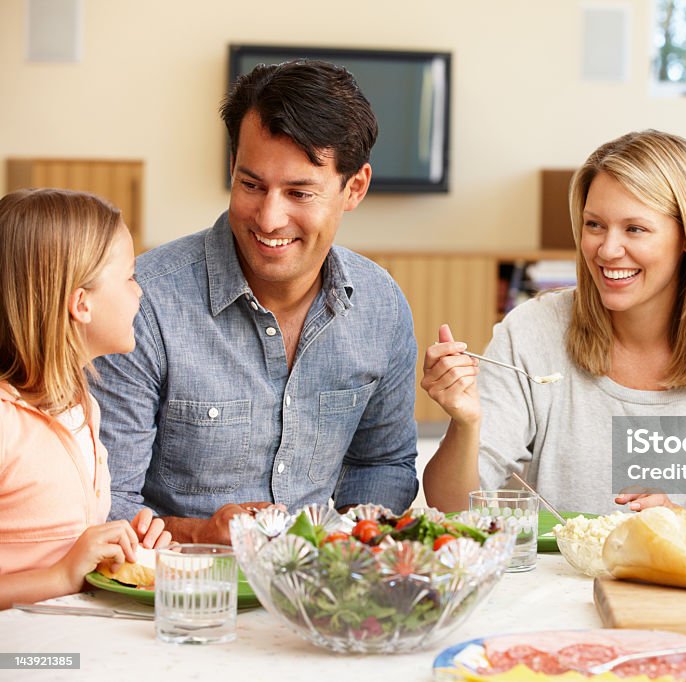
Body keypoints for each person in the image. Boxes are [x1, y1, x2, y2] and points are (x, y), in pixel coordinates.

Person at [92, 60, 419, 545]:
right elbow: (105, 501)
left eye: (299, 192)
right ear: (232, 168)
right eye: (251, 185)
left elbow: (384, 461)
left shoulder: (380, 304)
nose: (268, 218)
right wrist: (201, 532)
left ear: (355, 187)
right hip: (173, 591)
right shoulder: (146, 303)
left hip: (314, 588)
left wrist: (351, 538)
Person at [421, 130, 686, 519]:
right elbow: (450, 507)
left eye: (635, 229)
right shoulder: (531, 330)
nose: (607, 250)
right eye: (595, 225)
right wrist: (466, 424)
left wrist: (679, 524)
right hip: (553, 577)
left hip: (678, 582)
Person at [0, 188, 172, 609]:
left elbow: (69, 540)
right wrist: (61, 575)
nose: (140, 293)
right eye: (130, 277)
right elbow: (63, 566)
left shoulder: (82, 408)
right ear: (82, 304)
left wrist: (125, 536)